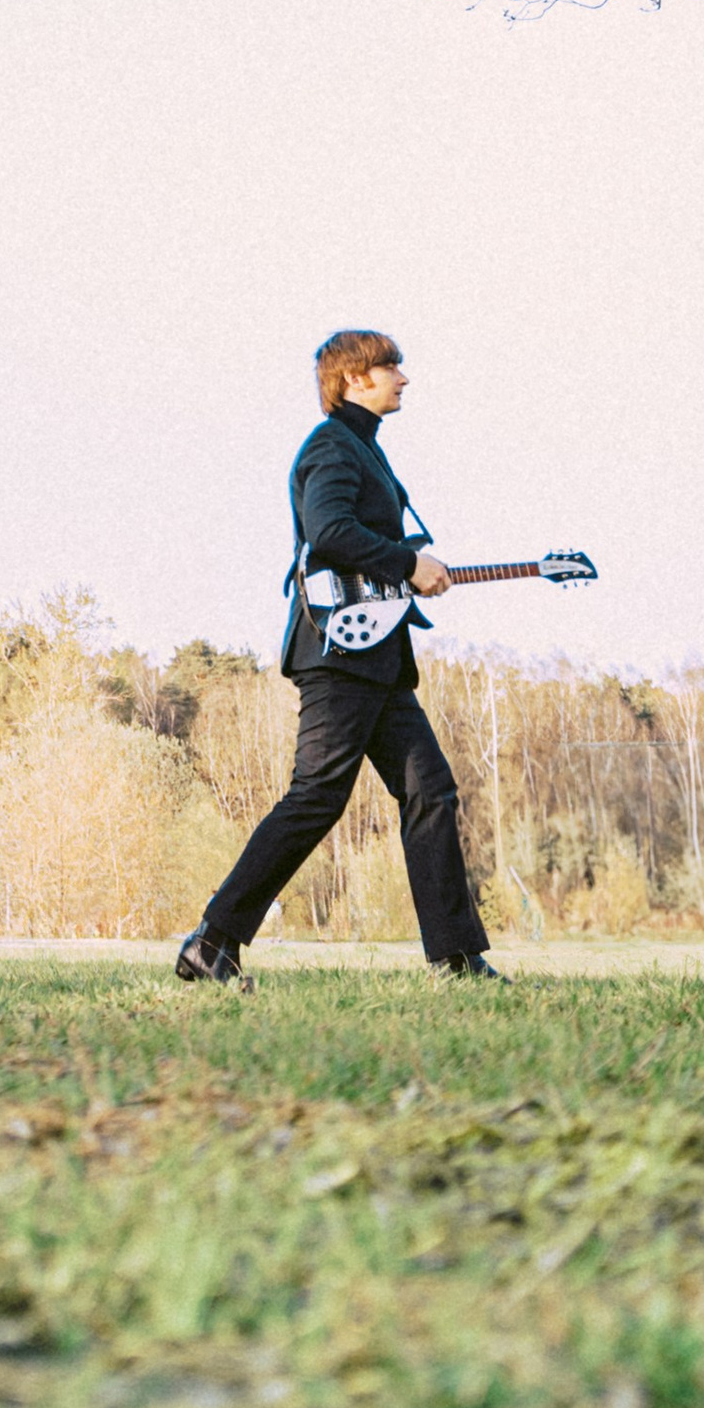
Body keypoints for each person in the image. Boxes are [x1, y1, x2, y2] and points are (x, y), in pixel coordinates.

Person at [178, 329, 500, 986]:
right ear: (353, 379)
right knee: (317, 797)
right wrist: (408, 562)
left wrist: (411, 567)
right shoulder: (332, 447)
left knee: (429, 790)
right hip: (338, 658)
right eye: (390, 369)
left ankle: (457, 957)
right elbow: (327, 530)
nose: (402, 380)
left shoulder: (363, 449)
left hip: (378, 660)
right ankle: (213, 940)